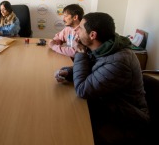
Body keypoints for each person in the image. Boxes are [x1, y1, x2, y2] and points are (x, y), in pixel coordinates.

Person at [54, 12, 149, 145]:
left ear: (92, 35)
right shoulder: (104, 48)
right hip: (107, 104)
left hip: (126, 120)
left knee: (66, 130)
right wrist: (68, 72)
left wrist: (80, 52)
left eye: (80, 28)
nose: (76, 31)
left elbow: (82, 90)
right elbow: (94, 70)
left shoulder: (119, 61)